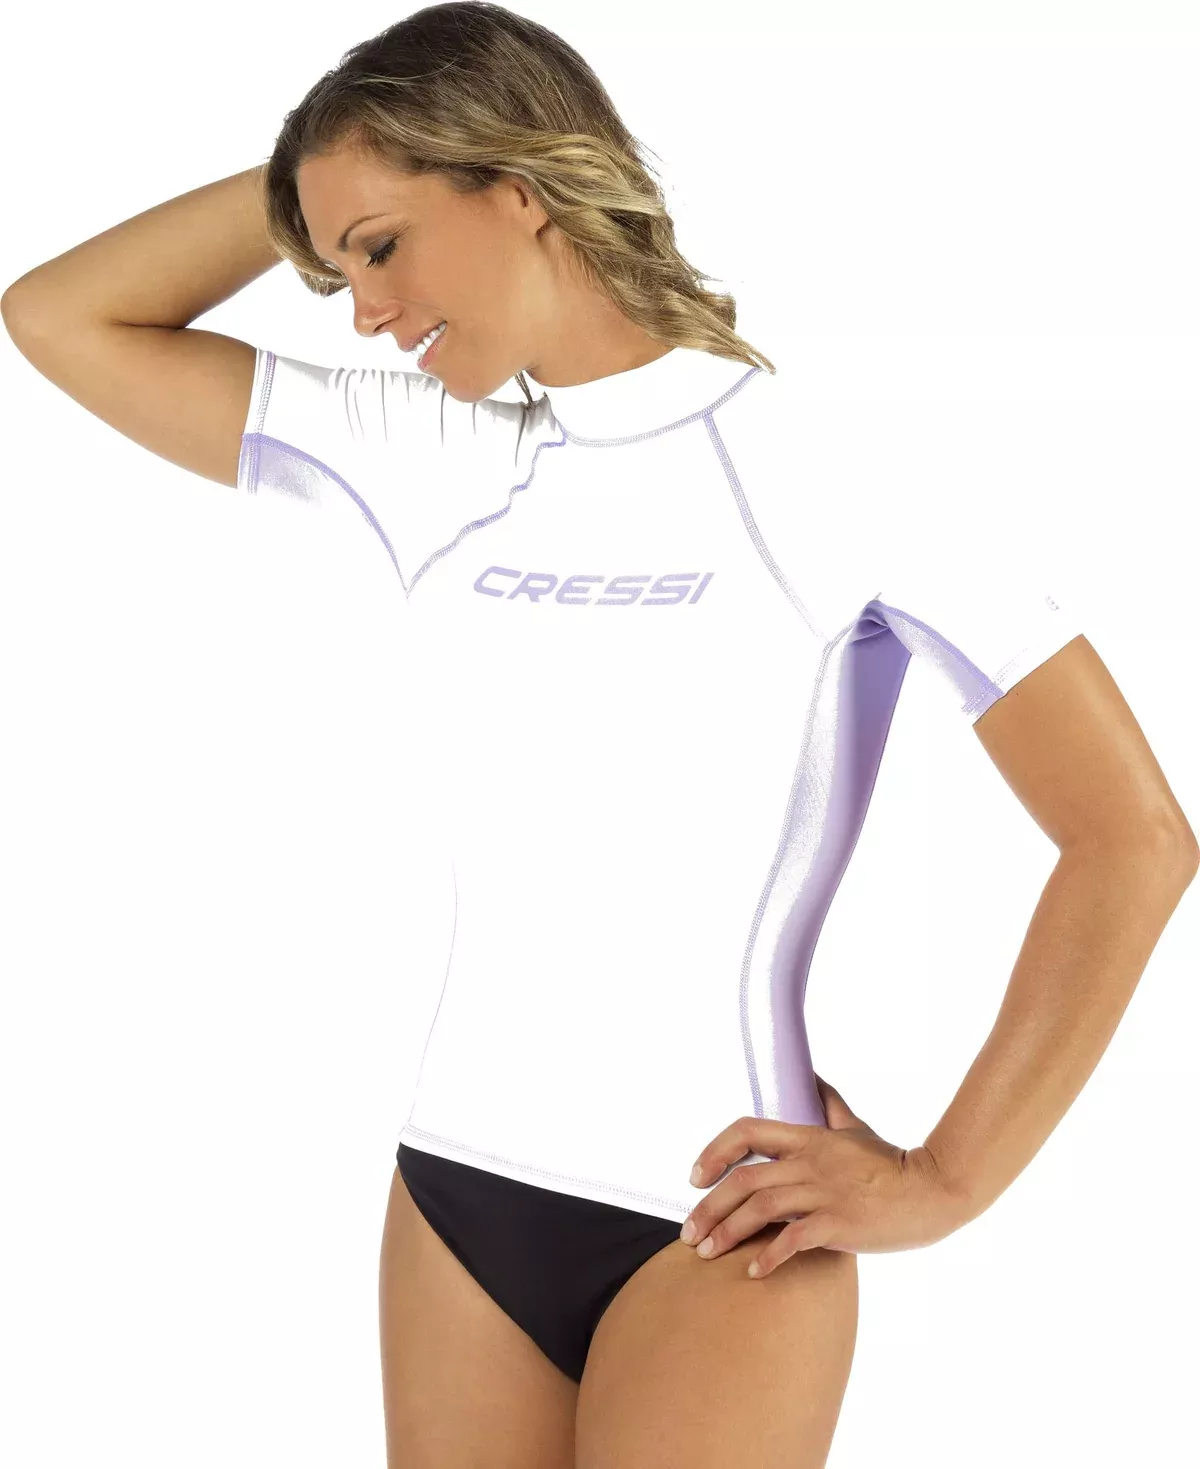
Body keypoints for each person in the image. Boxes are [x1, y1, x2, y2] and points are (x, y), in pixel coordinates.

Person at [4, 4, 1196, 1467]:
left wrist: (950, 1179)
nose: (364, 312)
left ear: (517, 186)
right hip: (457, 1186)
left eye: (381, 248)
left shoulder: (837, 472)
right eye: (335, 271)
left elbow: (1133, 839)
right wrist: (303, 188)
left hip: (717, 1211)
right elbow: (56, 316)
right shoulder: (429, 459)